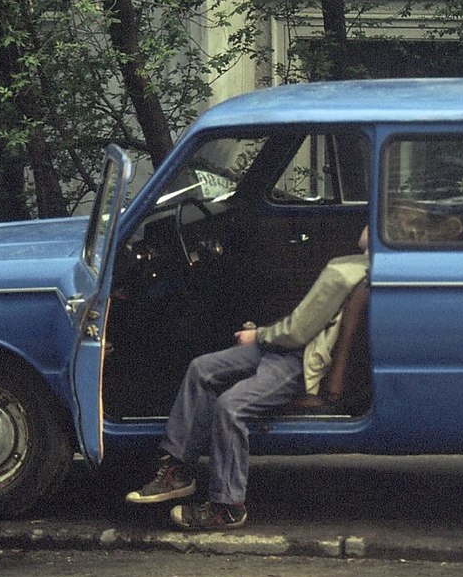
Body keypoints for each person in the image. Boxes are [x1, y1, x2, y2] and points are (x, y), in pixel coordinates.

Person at [124, 227, 371, 530]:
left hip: (298, 360)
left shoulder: (344, 271)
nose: (363, 228)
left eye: (370, 224)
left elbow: (298, 331)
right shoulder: (351, 265)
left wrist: (259, 335)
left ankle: (227, 506)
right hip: (284, 347)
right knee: (202, 369)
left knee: (231, 407)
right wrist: (267, 336)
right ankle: (177, 470)